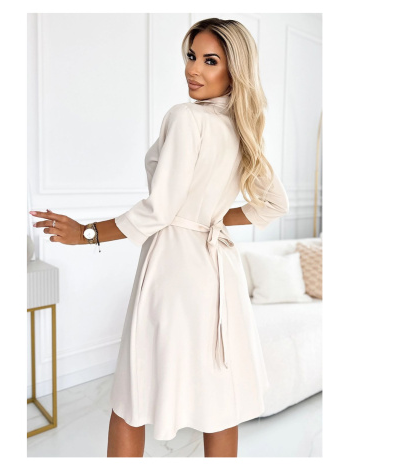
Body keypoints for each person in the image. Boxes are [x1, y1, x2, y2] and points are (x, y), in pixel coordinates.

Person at [30, 17, 289, 458]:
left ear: (235, 68)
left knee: (131, 400)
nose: (193, 69)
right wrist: (209, 217)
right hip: (219, 273)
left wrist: (86, 233)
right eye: (191, 56)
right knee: (219, 404)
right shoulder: (242, 126)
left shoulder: (187, 118)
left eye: (210, 60)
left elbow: (159, 210)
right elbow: (273, 204)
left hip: (173, 271)